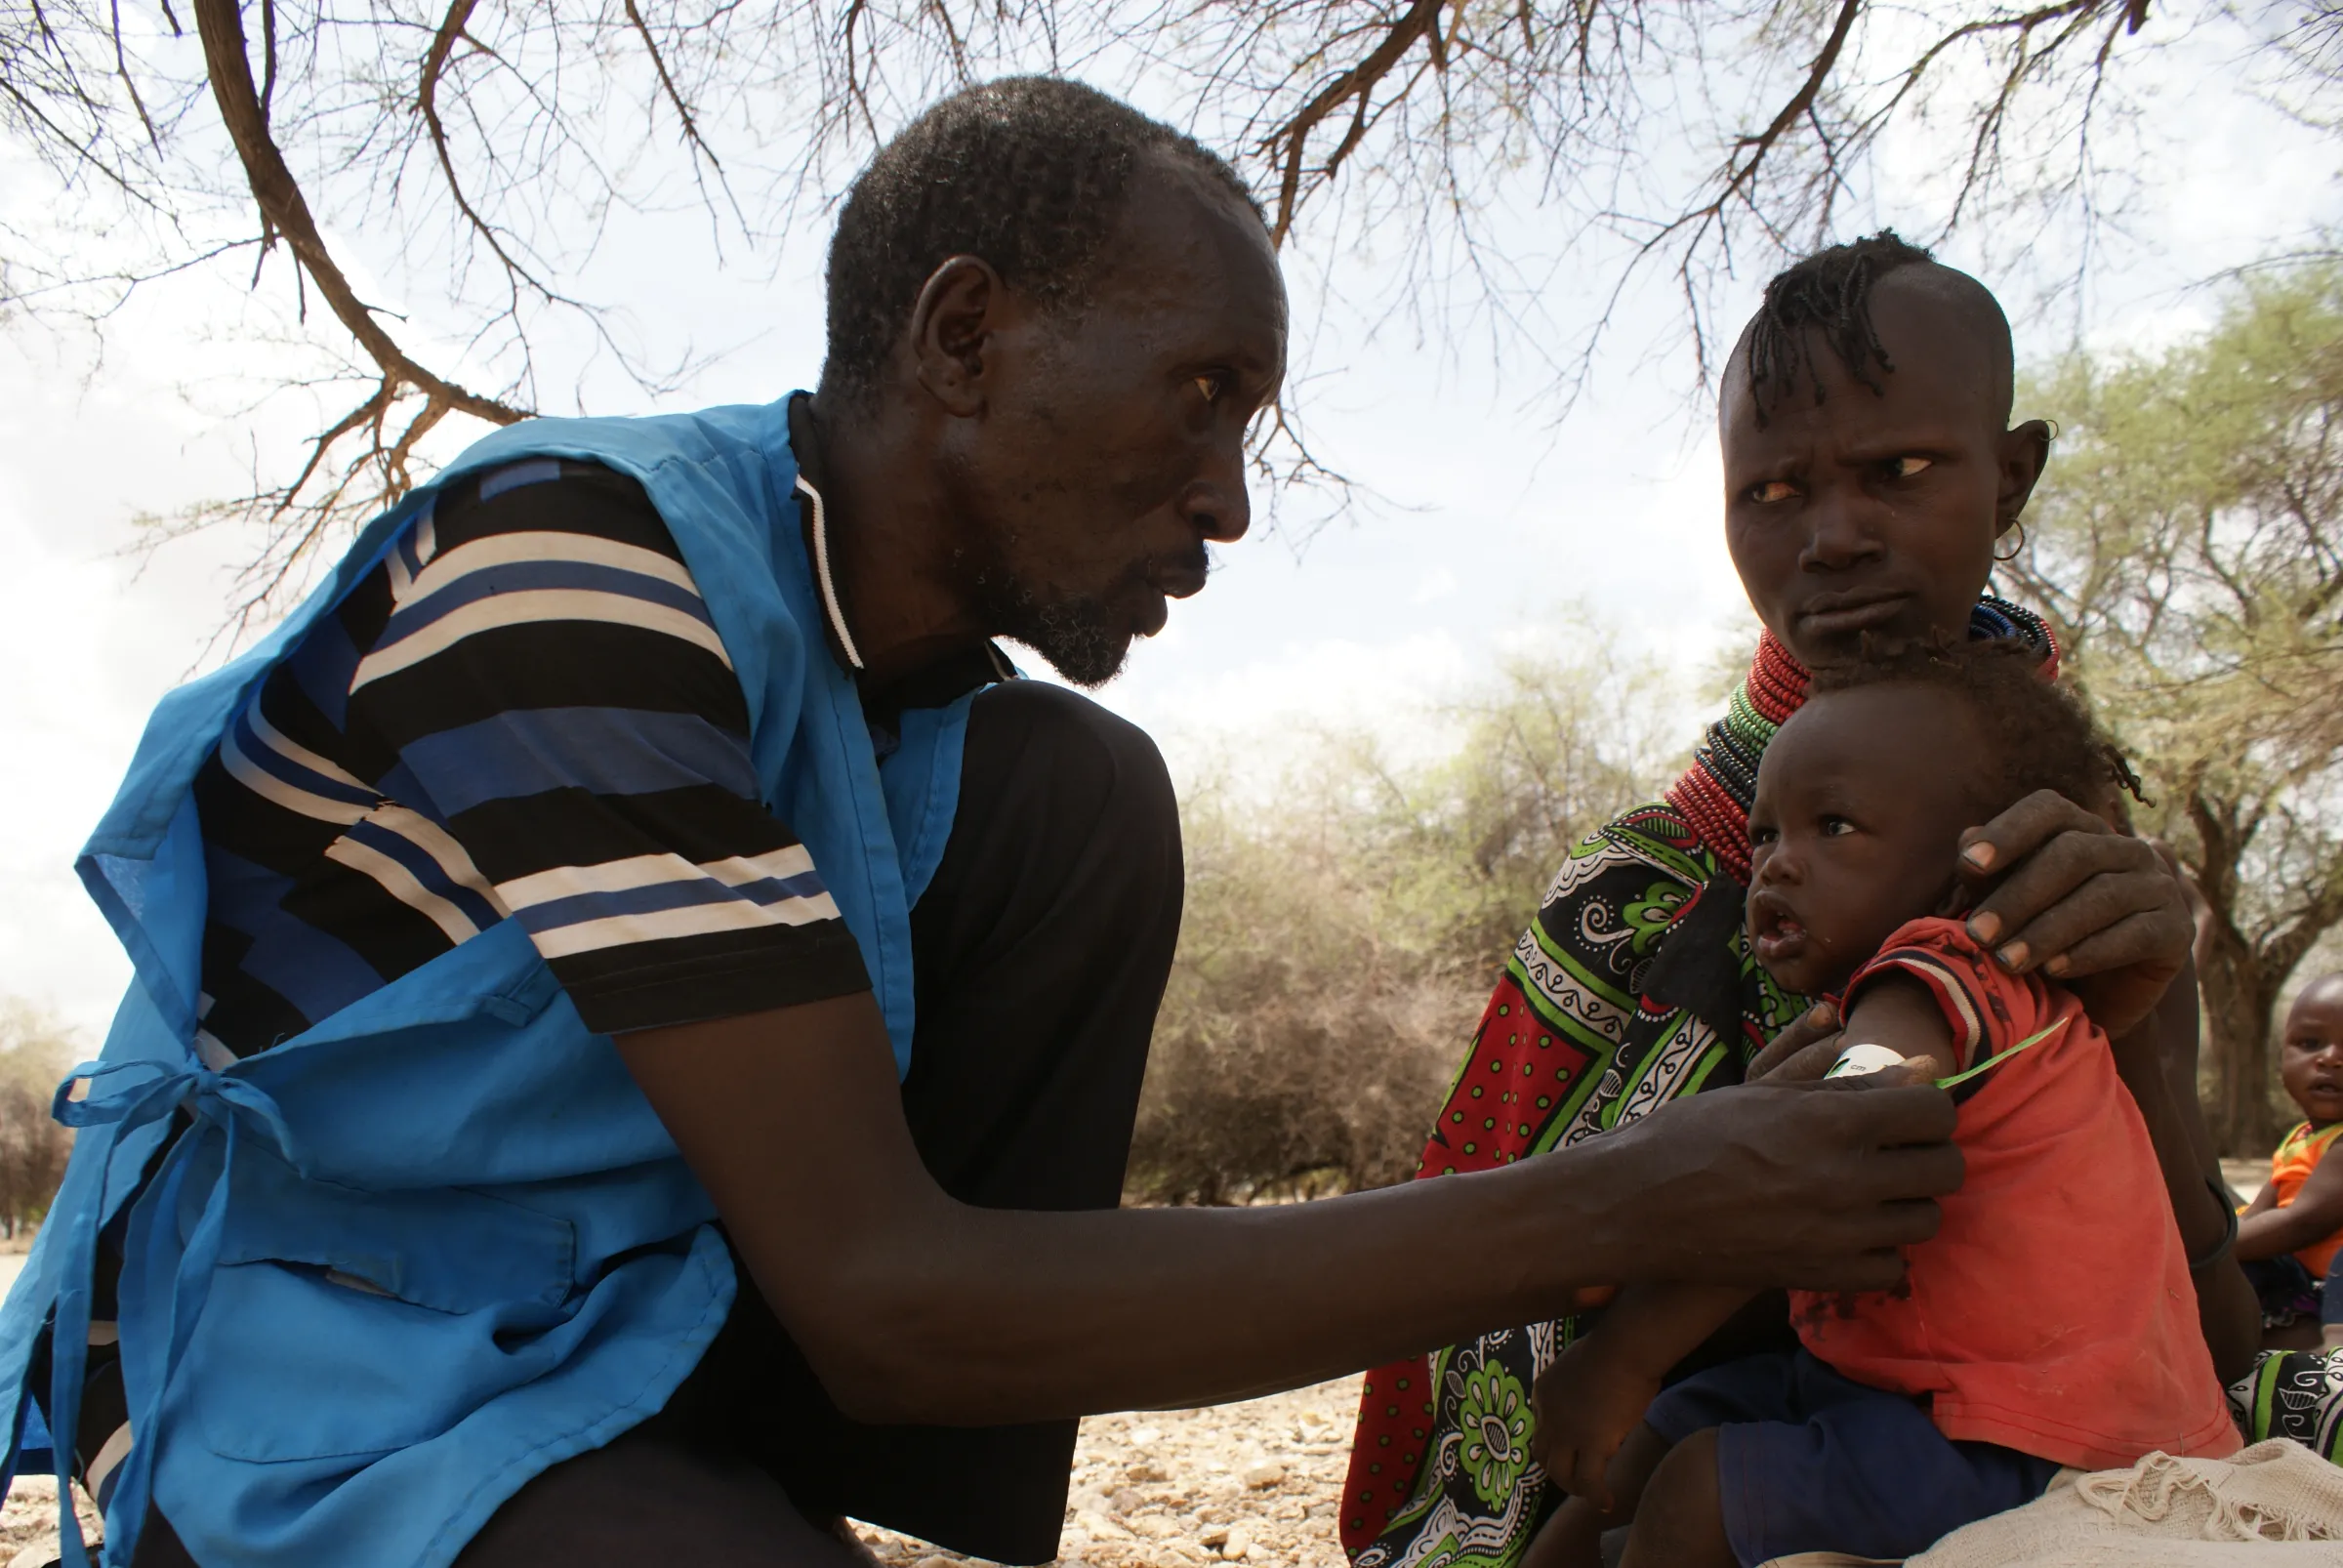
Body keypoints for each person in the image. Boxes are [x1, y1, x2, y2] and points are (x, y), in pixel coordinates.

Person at [0, 81, 1973, 1568]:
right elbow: (883, 1282)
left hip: (623, 1317)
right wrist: (1647, 1196)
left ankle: (868, 1514)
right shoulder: (572, 576)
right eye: (1197, 396)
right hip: (322, 1371)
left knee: (1072, 791)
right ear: (961, 338)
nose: (1228, 498)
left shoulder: (920, 724)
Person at [1342, 234, 2256, 1568]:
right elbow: (1501, 1340)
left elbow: (2205, 1329)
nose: (1830, 538)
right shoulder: (1638, 900)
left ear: (2011, 477)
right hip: (1699, 1444)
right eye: (1770, 490)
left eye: (1897, 471)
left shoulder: (2090, 869)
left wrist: (2123, 1022)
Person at [1521, 642, 2240, 1568]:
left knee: (1698, 1481)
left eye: (1834, 826)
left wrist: (1621, 1353)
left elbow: (1814, 1159)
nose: (1778, 865)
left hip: (2040, 1442)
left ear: (1979, 859)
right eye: (1764, 834)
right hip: (1903, 1392)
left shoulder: (1943, 970)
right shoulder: (1939, 995)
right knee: (1675, 1426)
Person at [2238, 975, 2343, 1348]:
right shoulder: (2301, 1136)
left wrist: (2208, 1247)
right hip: (2302, 1276)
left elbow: (2300, 1223)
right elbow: (2257, 1214)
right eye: (2310, 1043)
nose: (2330, 1058)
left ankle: (2327, 1356)